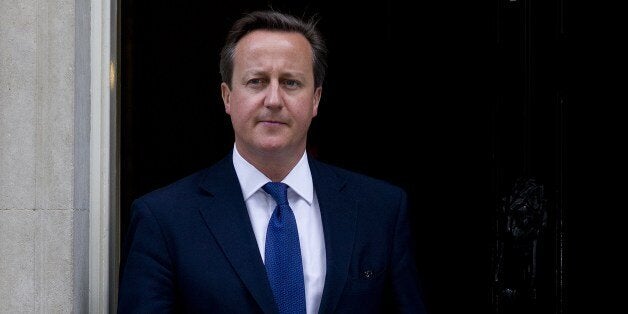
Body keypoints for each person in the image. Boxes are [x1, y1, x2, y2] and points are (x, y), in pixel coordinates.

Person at [118, 10, 427, 314]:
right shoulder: (163, 219)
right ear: (227, 97)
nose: (274, 100)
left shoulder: (381, 210)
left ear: (316, 99)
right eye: (256, 81)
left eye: (291, 82)